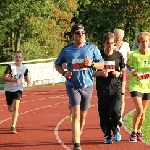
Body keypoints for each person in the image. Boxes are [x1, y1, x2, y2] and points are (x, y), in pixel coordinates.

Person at [54, 23, 104, 150]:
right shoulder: (67, 50)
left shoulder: (92, 48)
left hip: (88, 85)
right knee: (76, 114)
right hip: (72, 85)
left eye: (83, 33)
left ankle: (78, 134)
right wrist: (64, 73)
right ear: (73, 35)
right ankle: (77, 144)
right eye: (77, 33)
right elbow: (57, 65)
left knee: (83, 115)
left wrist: (92, 64)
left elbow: (102, 65)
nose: (80, 35)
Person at [94, 32, 125, 144]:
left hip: (116, 88)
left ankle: (116, 128)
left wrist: (119, 73)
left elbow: (123, 69)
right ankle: (107, 134)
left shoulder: (118, 55)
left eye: (112, 43)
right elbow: (91, 73)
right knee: (104, 114)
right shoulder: (98, 56)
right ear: (103, 43)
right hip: (102, 89)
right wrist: (101, 73)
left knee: (115, 111)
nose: (110, 46)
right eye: (108, 43)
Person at [126, 32, 150, 142]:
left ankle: (139, 131)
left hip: (147, 86)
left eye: (146, 41)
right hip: (135, 85)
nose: (144, 43)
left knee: (143, 112)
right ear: (138, 43)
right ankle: (133, 132)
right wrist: (132, 71)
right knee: (139, 109)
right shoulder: (134, 55)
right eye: (142, 41)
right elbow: (127, 65)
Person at [2, 51, 30, 134]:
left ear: (22, 59)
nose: (18, 58)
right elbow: (4, 78)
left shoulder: (24, 68)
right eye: (16, 57)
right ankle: (10, 108)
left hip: (18, 88)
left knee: (16, 106)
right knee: (10, 108)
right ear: (14, 58)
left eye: (19, 57)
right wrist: (14, 80)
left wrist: (28, 81)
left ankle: (13, 126)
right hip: (9, 89)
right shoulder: (10, 67)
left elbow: (25, 76)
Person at [114, 29, 130, 127]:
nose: (119, 38)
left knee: (122, 95)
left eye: (120, 36)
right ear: (114, 36)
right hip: (113, 72)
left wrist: (132, 69)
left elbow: (129, 57)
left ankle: (120, 117)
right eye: (117, 36)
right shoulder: (111, 44)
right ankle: (112, 116)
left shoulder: (126, 45)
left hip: (122, 71)